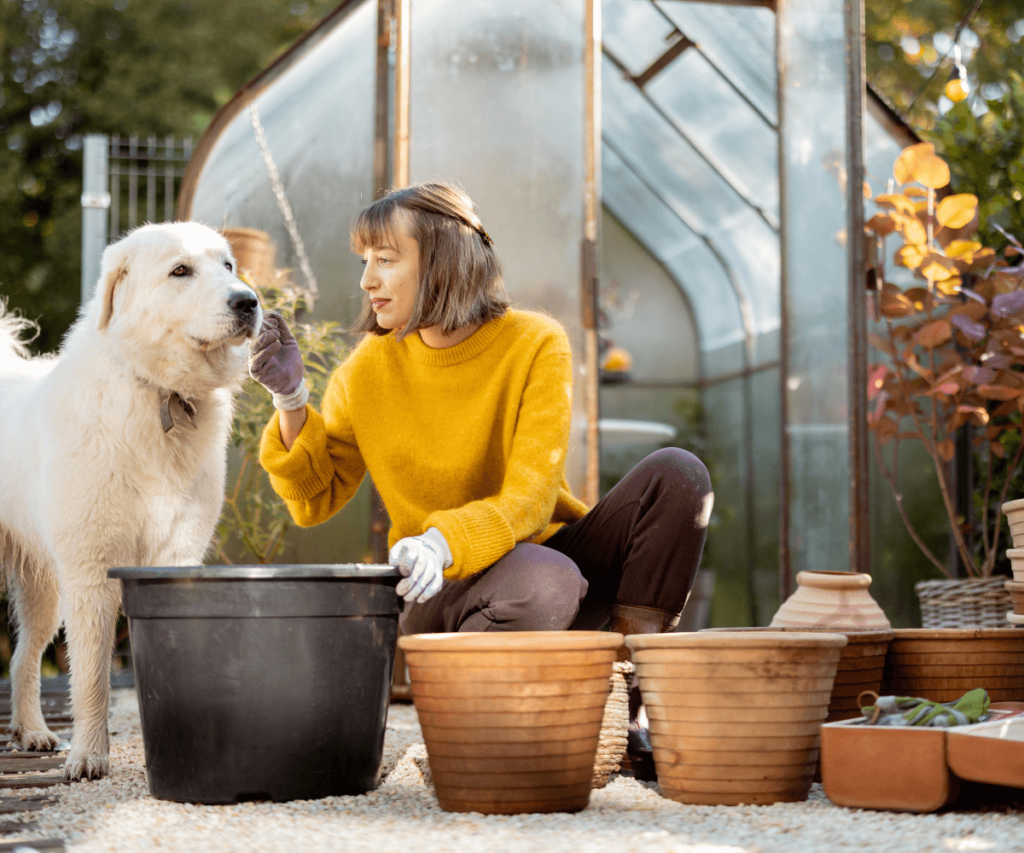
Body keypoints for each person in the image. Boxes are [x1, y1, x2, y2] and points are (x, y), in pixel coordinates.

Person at [249, 182, 713, 768]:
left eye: (386, 260)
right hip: (444, 596)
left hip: (532, 559)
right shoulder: (367, 370)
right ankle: (478, 727)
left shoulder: (534, 342)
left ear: (443, 260)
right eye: (364, 261)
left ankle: (621, 708)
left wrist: (444, 541)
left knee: (678, 476)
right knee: (546, 578)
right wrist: (291, 399)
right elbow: (314, 500)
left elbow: (531, 496)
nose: (367, 280)